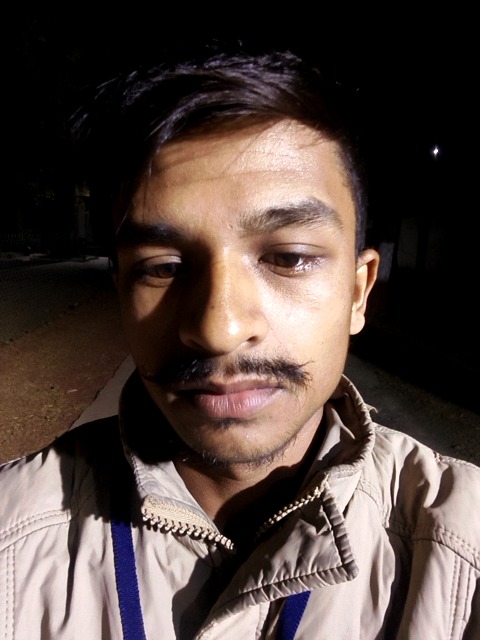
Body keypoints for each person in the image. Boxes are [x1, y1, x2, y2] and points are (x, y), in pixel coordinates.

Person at [1, 47, 479, 640]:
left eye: (289, 258)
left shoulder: (463, 552)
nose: (218, 327)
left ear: (358, 293)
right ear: (121, 291)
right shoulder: (13, 543)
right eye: (163, 267)